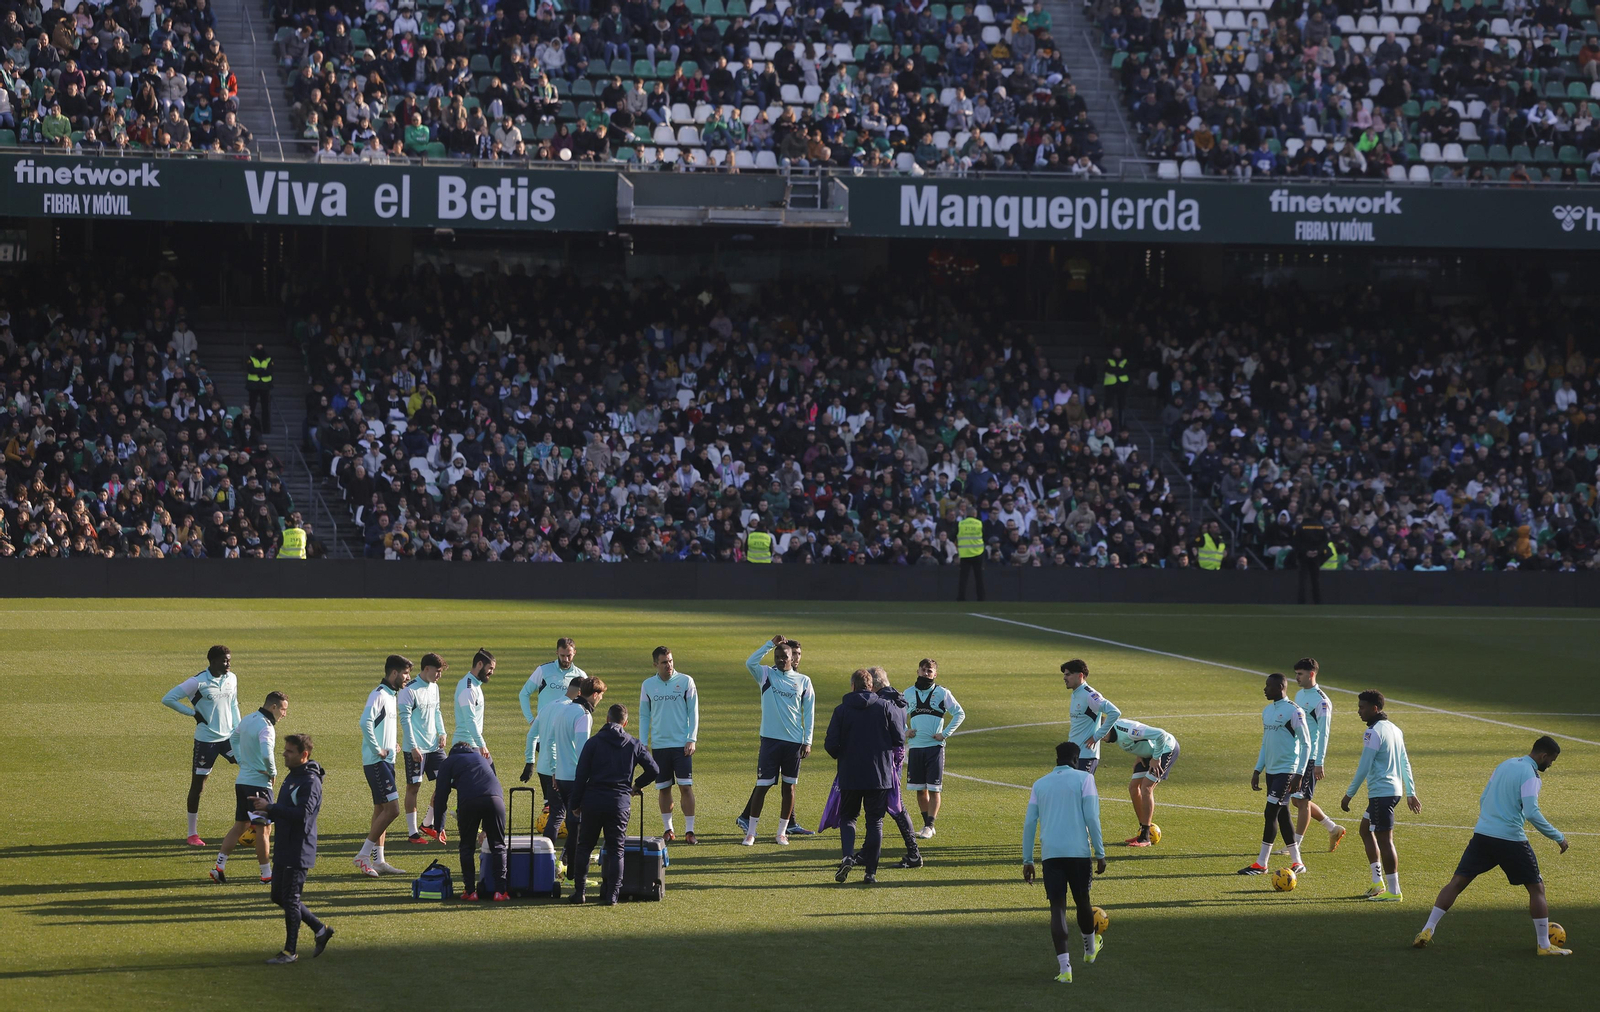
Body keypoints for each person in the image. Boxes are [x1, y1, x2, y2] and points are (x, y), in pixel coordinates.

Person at [1414, 737, 1571, 954]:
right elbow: (1532, 812)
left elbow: (1484, 797)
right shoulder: (1531, 775)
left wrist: (1489, 821)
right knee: (1537, 889)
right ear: (1543, 756)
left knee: (1457, 882)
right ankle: (1544, 945)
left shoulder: (1504, 765)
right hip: (1510, 839)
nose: (1551, 764)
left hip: (1483, 835)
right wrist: (1558, 836)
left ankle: (1427, 929)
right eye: (1551, 760)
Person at [1022, 740, 1107, 985]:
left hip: (1051, 855)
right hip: (1078, 853)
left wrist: (1028, 860)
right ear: (1076, 760)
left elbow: (1029, 823)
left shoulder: (1040, 784)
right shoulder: (1085, 779)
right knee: (1082, 901)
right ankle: (1090, 950)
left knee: (1057, 908)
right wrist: (1100, 853)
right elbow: (1092, 817)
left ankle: (1065, 969)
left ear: (1056, 759)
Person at [251, 733, 333, 964]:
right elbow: (286, 809)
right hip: (285, 845)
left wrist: (271, 808)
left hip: (299, 848)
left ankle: (290, 951)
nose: (284, 754)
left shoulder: (310, 781)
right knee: (279, 896)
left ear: (303, 755)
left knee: (290, 898)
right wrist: (265, 812)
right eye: (285, 749)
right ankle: (320, 929)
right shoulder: (292, 776)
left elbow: (303, 815)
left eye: (289, 751)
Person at [567, 704, 659, 905]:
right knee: (617, 849)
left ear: (607, 719)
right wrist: (636, 786)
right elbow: (654, 770)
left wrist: (575, 803)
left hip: (593, 801)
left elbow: (581, 776)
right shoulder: (633, 743)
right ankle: (613, 895)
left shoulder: (593, 743)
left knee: (584, 847)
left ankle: (580, 892)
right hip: (619, 803)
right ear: (625, 723)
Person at [824, 668, 907, 885]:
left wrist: (844, 756)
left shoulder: (841, 710)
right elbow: (899, 739)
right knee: (875, 822)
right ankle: (870, 873)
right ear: (871, 686)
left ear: (853, 686)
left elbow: (830, 744)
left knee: (849, 818)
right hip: (879, 774)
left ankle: (848, 856)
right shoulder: (885, 707)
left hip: (850, 773)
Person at [1341, 690, 1420, 901]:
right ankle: (1377, 882)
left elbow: (1364, 766)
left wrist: (1349, 794)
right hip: (1393, 791)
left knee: (1385, 840)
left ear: (1374, 708)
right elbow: (1405, 762)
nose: (1359, 711)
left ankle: (1394, 891)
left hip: (1381, 794)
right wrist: (1410, 792)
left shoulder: (1373, 733)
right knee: (1365, 830)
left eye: (1362, 707)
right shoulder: (1395, 729)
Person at [738, 635, 816, 846]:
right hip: (770, 741)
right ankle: (751, 832)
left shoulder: (804, 681)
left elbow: (809, 714)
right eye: (778, 656)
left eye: (785, 657)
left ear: (793, 659)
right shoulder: (766, 675)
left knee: (789, 788)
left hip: (793, 742)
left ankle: (782, 832)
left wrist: (807, 741)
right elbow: (750, 662)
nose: (781, 660)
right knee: (762, 786)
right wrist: (769, 644)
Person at [162, 645, 240, 845]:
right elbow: (168, 699)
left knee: (251, 770)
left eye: (229, 660)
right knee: (198, 786)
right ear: (212, 662)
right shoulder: (197, 682)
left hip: (229, 739)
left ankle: (251, 823)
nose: (228, 664)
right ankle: (192, 834)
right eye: (224, 660)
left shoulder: (231, 678)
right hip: (206, 741)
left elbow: (233, 704)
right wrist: (193, 714)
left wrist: (239, 732)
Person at [210, 691, 288, 885]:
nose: (284, 714)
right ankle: (266, 875)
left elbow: (233, 739)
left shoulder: (247, 719)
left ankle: (219, 867)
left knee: (240, 825)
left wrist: (241, 760)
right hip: (259, 786)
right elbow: (267, 753)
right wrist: (272, 772)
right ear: (274, 707)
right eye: (283, 710)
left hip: (242, 782)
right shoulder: (267, 727)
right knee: (264, 830)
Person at [1238, 673, 1310, 876]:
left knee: (1270, 812)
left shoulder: (1294, 712)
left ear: (1280, 687)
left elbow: (1306, 744)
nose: (1265, 689)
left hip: (1287, 772)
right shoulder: (1267, 711)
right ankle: (1298, 862)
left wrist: (1299, 774)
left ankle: (1262, 863)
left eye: (1268, 686)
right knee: (1283, 814)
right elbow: (1266, 743)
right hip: (1271, 771)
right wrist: (1257, 769)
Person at [1280, 658, 1346, 856]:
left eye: (1300, 674)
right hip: (1299, 754)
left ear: (1311, 674)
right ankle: (1332, 828)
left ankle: (1294, 845)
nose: (1296, 678)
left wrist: (1319, 762)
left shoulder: (1322, 701)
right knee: (1297, 799)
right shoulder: (1300, 695)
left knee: (1302, 800)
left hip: (1311, 756)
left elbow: (1324, 733)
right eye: (1295, 674)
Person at [354, 655, 412, 878]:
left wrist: (391, 744)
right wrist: (377, 748)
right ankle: (363, 856)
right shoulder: (378, 694)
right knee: (393, 809)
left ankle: (378, 861)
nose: (408, 677)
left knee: (381, 809)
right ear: (394, 673)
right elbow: (365, 722)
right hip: (377, 762)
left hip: (386, 761)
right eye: (405, 673)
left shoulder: (390, 695)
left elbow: (381, 725)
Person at [431, 741, 510, 902]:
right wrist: (486, 829)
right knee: (498, 846)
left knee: (467, 847)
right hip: (495, 799)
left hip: (469, 802)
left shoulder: (449, 761)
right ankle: (500, 892)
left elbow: (441, 796)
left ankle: (470, 892)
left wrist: (439, 826)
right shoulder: (481, 758)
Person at [639, 646, 699, 843]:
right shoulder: (648, 685)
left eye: (671, 661)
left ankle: (689, 831)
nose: (669, 665)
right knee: (664, 788)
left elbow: (693, 712)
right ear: (655, 664)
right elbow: (644, 715)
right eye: (664, 662)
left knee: (685, 787)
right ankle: (668, 829)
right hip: (659, 745)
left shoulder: (686, 681)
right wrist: (643, 742)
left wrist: (691, 738)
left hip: (681, 745)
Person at [547, 676, 607, 876]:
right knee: (578, 828)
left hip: (561, 776)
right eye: (601, 695)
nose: (600, 699)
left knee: (573, 825)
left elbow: (551, 741)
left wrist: (554, 770)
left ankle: (569, 870)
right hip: (575, 778)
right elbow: (583, 751)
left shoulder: (564, 710)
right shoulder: (583, 715)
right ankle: (574, 875)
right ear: (595, 694)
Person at [518, 638, 585, 817]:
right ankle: (551, 809)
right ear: (556, 653)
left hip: (568, 736)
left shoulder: (580, 675)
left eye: (569, 655)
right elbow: (524, 693)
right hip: (545, 731)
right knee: (549, 771)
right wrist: (532, 720)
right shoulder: (543, 670)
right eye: (562, 655)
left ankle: (560, 812)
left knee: (565, 775)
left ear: (574, 653)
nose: (565, 659)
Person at [904, 657, 965, 839]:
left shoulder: (942, 693)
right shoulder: (907, 693)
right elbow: (896, 715)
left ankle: (929, 826)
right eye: (923, 670)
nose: (925, 673)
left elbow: (959, 713)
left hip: (934, 748)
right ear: (917, 671)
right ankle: (927, 825)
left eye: (929, 671)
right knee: (920, 789)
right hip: (915, 748)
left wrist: (945, 734)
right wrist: (905, 730)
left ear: (935, 674)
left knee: (934, 788)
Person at [1102, 717, 1178, 847]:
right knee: (1133, 788)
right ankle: (1143, 831)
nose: (1101, 738)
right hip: (1149, 754)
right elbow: (1141, 740)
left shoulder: (1129, 729)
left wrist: (1156, 758)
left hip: (1165, 750)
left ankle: (1145, 838)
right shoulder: (1116, 732)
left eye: (1101, 733)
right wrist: (1140, 754)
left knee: (1146, 787)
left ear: (1108, 726)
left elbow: (1161, 734)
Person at [399, 652, 449, 845]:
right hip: (416, 748)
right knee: (414, 787)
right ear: (426, 669)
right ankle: (412, 833)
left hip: (434, 747)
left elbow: (437, 711)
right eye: (437, 671)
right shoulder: (409, 690)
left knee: (446, 781)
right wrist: (413, 747)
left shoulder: (434, 687)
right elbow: (405, 721)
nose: (439, 676)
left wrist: (442, 732)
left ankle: (428, 823)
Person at [1061, 659, 1121, 774]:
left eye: (1068, 675)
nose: (1064, 678)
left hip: (1086, 755)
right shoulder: (1076, 694)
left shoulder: (1090, 695)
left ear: (1080, 675)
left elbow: (1115, 712)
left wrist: (1097, 736)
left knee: (1083, 786)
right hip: (1073, 754)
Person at [452, 648, 497, 762]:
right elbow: (470, 719)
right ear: (480, 664)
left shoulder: (474, 684)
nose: (491, 672)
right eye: (490, 668)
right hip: (466, 747)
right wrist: (482, 745)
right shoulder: (468, 688)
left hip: (473, 744)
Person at [1293, 514, 1334, 602]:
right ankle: (1317, 600)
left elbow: (1296, 542)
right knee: (1315, 579)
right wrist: (1317, 551)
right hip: (1316, 556)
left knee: (1303, 579)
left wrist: (1306, 551)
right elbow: (1325, 541)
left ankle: (1301, 600)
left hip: (1304, 556)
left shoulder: (1301, 527)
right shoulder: (1321, 526)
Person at [955, 500, 986, 601]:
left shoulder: (960, 524)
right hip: (978, 553)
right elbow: (985, 537)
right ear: (975, 514)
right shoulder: (980, 524)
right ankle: (981, 598)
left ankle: (961, 598)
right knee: (979, 577)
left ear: (966, 514)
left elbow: (953, 536)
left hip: (965, 554)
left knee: (963, 578)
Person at [245, 342, 274, 430]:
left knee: (265, 408)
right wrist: (262, 370)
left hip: (265, 386)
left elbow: (270, 371)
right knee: (252, 408)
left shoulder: (269, 359)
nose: (259, 350)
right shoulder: (250, 358)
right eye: (258, 348)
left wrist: (258, 371)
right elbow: (250, 369)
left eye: (261, 348)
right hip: (253, 386)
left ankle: (266, 428)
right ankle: (251, 426)